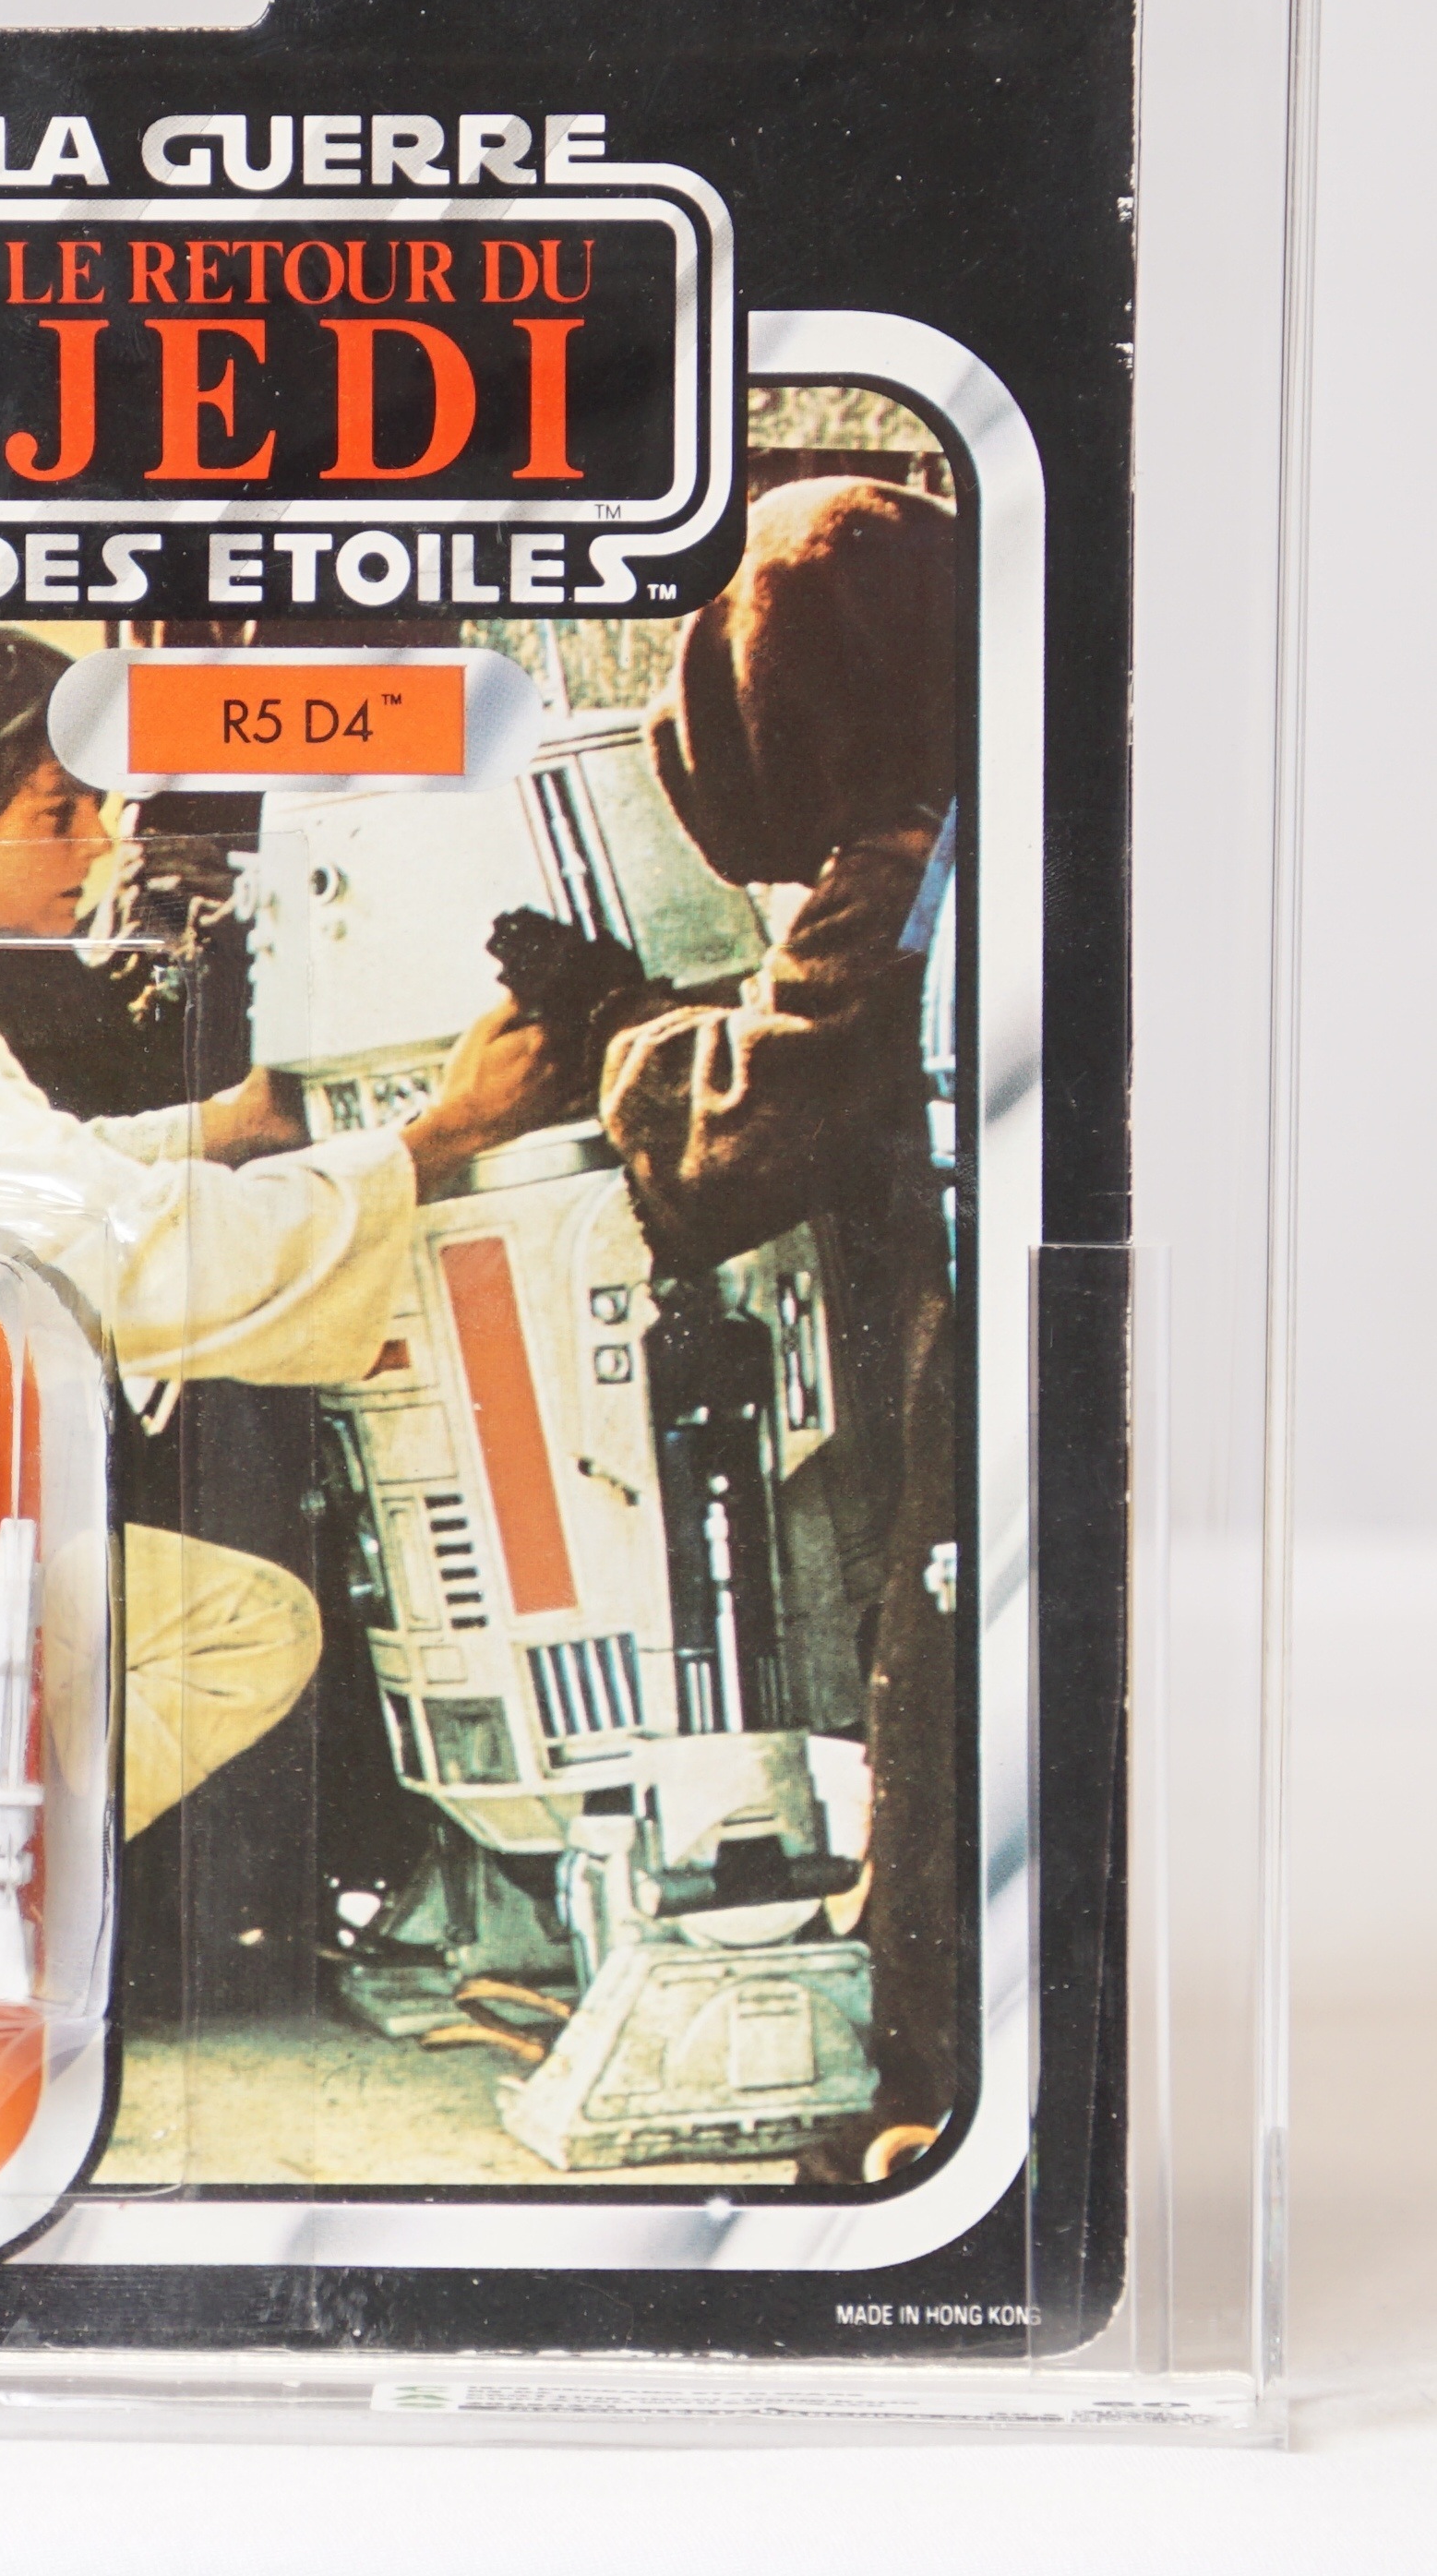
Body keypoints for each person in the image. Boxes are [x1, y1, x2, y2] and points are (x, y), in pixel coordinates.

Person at [0, 619, 562, 1844]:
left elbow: (21, 1178)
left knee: (219, 1614)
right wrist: (437, 1140)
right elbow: (126, 1258)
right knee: (247, 1629)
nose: (97, 845)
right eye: (59, 812)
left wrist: (224, 1127)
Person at [594, 476, 958, 2161]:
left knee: (945, 1682)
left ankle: (925, 2095)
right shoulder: (1007, 789)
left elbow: (737, 1135)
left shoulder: (905, 856)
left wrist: (618, 1030)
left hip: (992, 1362)